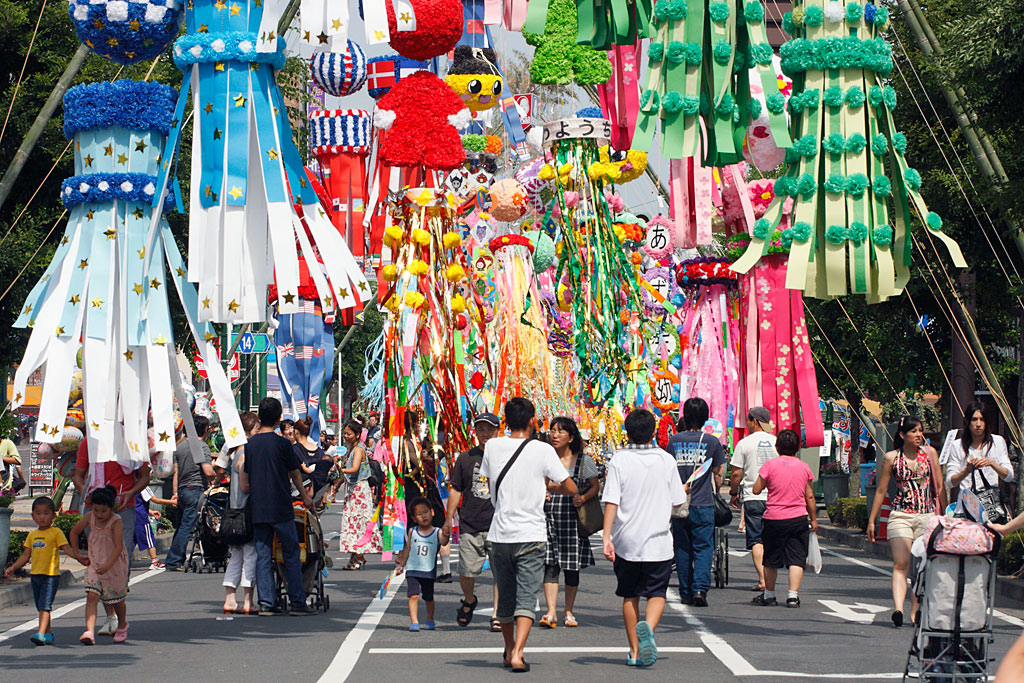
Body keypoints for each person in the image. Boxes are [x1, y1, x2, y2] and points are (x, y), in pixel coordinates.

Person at [480, 397, 577, 673]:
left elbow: (491, 481)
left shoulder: (493, 446)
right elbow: (569, 485)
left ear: (505, 421)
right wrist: (550, 487)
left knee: (506, 598)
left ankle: (509, 647)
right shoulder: (542, 450)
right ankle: (518, 653)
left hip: (499, 534)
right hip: (531, 534)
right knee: (526, 597)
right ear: (532, 420)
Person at [602, 409, 687, 668]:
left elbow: (611, 501)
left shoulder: (619, 460)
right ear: (654, 433)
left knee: (630, 595)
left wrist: (606, 537)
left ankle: (635, 651)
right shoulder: (666, 460)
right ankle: (648, 628)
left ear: (627, 432)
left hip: (626, 542)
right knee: (657, 593)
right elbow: (678, 502)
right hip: (659, 542)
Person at [238, 398, 316, 616]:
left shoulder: (250, 445)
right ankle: (297, 602)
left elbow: (247, 475)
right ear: (279, 417)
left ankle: (266, 602)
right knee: (291, 551)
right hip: (281, 504)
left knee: (263, 554)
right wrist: (304, 496)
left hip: (258, 505)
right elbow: (295, 472)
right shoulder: (283, 444)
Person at [867, 416, 946, 628]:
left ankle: (916, 609)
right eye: (914, 431)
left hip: (927, 516)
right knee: (901, 564)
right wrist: (872, 520)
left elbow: (939, 487)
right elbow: (882, 490)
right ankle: (898, 609)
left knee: (920, 566)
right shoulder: (891, 458)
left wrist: (944, 516)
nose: (919, 435)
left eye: (921, 431)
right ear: (903, 435)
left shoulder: (930, 455)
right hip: (900, 515)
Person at [71, 438, 151, 636]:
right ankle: (111, 617)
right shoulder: (89, 442)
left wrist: (131, 492)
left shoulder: (131, 439)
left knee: (120, 558)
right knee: (98, 558)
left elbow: (145, 476)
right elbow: (78, 475)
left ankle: (118, 608)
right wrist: (85, 492)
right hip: (95, 506)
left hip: (124, 507)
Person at [539, 416, 600, 629]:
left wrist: (583, 498)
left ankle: (569, 611)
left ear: (571, 437)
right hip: (548, 518)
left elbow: (595, 486)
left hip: (573, 520)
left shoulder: (584, 461)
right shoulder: (544, 459)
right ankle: (551, 612)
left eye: (560, 431)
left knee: (571, 568)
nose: (555, 435)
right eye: (552, 431)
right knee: (550, 565)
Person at [5, 496, 88, 645]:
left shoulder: (56, 533)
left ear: (53, 515)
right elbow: (25, 555)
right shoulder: (32, 535)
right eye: (38, 513)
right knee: (41, 606)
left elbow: (66, 548)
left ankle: (40, 633)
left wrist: (78, 557)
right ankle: (48, 633)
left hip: (50, 576)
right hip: (35, 575)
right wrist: (13, 567)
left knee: (45, 605)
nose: (42, 517)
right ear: (32, 516)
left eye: (46, 513)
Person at [668, 397, 726, 607]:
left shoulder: (674, 441)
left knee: (682, 548)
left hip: (679, 503)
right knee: (703, 548)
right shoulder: (712, 442)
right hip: (704, 503)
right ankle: (700, 589)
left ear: (685, 415)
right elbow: (718, 472)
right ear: (705, 418)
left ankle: (685, 591)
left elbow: (669, 470)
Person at [446, 412, 501, 630]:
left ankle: (497, 613)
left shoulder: (505, 457)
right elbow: (456, 489)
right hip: (470, 522)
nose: (485, 434)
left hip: (499, 524)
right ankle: (469, 599)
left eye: (490, 429)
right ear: (475, 432)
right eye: (481, 429)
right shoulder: (465, 458)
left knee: (501, 572)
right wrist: (449, 519)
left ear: (498, 431)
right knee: (466, 571)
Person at [751, 429, 816, 608]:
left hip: (774, 518)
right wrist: (814, 518)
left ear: (777, 447)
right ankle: (792, 596)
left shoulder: (770, 466)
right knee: (796, 558)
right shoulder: (804, 467)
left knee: (771, 558)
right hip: (798, 518)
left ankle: (769, 595)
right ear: (797, 447)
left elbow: (756, 489)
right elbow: (809, 496)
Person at [69, 486, 130, 644]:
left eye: (103, 511)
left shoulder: (116, 521)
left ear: (111, 508)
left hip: (114, 564)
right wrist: (77, 554)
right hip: (95, 563)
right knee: (92, 595)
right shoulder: (90, 517)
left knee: (116, 599)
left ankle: (122, 625)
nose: (99, 515)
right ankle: (89, 631)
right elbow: (74, 532)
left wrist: (108, 564)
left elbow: (118, 546)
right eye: (96, 510)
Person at [215, 411, 260, 614]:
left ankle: (229, 598)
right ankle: (248, 600)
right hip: (245, 511)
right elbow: (245, 486)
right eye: (257, 430)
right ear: (248, 433)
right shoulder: (244, 455)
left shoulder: (234, 452)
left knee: (236, 556)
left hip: (233, 510)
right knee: (250, 555)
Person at [729, 406, 777, 593]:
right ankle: (770, 579)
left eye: (748, 421)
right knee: (771, 540)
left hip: (752, 496)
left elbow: (736, 473)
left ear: (754, 421)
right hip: (775, 497)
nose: (747, 424)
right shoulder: (776, 441)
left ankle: (762, 580)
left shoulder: (744, 443)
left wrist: (734, 493)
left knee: (757, 540)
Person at [945, 402, 1014, 520]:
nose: (978, 424)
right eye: (974, 420)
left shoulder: (997, 441)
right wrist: (966, 470)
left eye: (982, 419)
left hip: (991, 507)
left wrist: (991, 463)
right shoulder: (957, 445)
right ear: (967, 421)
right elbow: (950, 482)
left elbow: (1009, 476)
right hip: (966, 508)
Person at [164, 415, 216, 571]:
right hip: (196, 489)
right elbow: (207, 471)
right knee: (187, 527)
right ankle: (173, 561)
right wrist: (215, 472)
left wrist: (175, 493)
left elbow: (176, 472)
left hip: (182, 489)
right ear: (204, 430)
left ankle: (174, 559)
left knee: (181, 526)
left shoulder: (179, 447)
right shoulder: (201, 447)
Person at [396, 497, 452, 631]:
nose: (423, 516)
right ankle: (414, 621)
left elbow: (444, 542)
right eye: (419, 514)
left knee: (428, 597)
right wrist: (401, 565)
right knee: (413, 595)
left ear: (432, 512)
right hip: (413, 569)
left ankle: (430, 618)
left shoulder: (437, 532)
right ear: (414, 518)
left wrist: (446, 534)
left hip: (428, 570)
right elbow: (408, 549)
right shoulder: (412, 531)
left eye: (425, 512)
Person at [338, 420, 381, 569]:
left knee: (358, 522)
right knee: (354, 523)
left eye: (348, 434)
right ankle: (354, 559)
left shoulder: (358, 450)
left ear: (357, 435)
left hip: (359, 491)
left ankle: (358, 556)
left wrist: (342, 470)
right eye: (344, 433)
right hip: (354, 490)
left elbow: (355, 468)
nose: (345, 436)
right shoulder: (353, 448)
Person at [293, 417, 333, 499]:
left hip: (299, 493)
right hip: (318, 492)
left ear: (295, 431)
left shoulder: (293, 449)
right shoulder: (320, 451)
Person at [134, 487, 174, 570]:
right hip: (141, 518)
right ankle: (155, 561)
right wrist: (172, 502)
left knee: (130, 541)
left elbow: (136, 504)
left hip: (131, 516)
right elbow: (155, 500)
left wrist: (150, 511)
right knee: (150, 539)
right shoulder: (143, 487)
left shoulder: (129, 486)